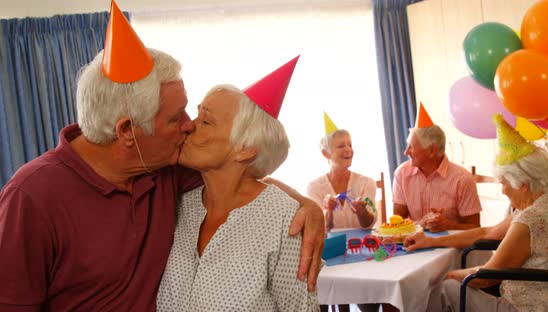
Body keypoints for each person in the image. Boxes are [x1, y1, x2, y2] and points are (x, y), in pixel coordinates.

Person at [0, 4, 324, 310]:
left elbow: (239, 180)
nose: (188, 126)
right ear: (127, 130)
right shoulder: (31, 197)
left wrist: (306, 206)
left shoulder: (166, 169)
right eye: (176, 117)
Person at [158, 57, 319, 310]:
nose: (188, 126)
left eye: (206, 121)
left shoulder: (283, 220)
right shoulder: (178, 205)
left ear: (244, 150)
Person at [405, 114, 548, 311]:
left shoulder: (529, 220)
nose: (503, 190)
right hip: (547, 301)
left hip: (530, 308)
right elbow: (486, 233)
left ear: (522, 184)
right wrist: (430, 241)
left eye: (504, 183)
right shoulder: (545, 203)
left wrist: (449, 275)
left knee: (445, 287)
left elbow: (485, 278)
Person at [306, 113, 377, 312]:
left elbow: (368, 224)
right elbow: (320, 230)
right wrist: (327, 213)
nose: (348, 150)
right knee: (317, 294)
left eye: (350, 144)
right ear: (325, 154)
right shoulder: (315, 187)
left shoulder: (366, 183)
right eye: (341, 146)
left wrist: (362, 212)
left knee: (370, 300)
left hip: (361, 253)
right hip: (330, 257)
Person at [393, 103, 480, 232]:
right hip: (415, 247)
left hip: (453, 249)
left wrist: (448, 225)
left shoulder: (462, 179)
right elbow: (397, 222)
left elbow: (474, 228)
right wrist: (420, 224)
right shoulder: (402, 173)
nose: (406, 152)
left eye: (412, 146)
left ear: (432, 150)